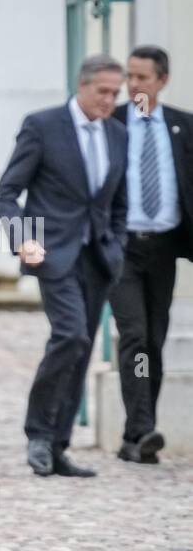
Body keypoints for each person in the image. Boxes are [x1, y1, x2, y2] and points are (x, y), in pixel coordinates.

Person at [0, 54, 129, 477]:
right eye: (103, 91)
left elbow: (119, 201)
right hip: (53, 253)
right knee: (69, 334)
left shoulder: (119, 134)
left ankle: (58, 446)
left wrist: (118, 244)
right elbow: (7, 193)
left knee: (83, 345)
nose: (110, 100)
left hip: (99, 257)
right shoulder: (42, 125)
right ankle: (38, 433)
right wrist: (24, 240)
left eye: (115, 93)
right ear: (82, 85)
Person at [110, 45, 193, 464]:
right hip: (122, 247)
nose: (134, 84)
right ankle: (142, 429)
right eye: (130, 76)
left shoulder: (184, 126)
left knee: (154, 342)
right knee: (136, 336)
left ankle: (135, 435)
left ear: (162, 80)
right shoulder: (113, 123)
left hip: (164, 249)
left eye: (143, 77)